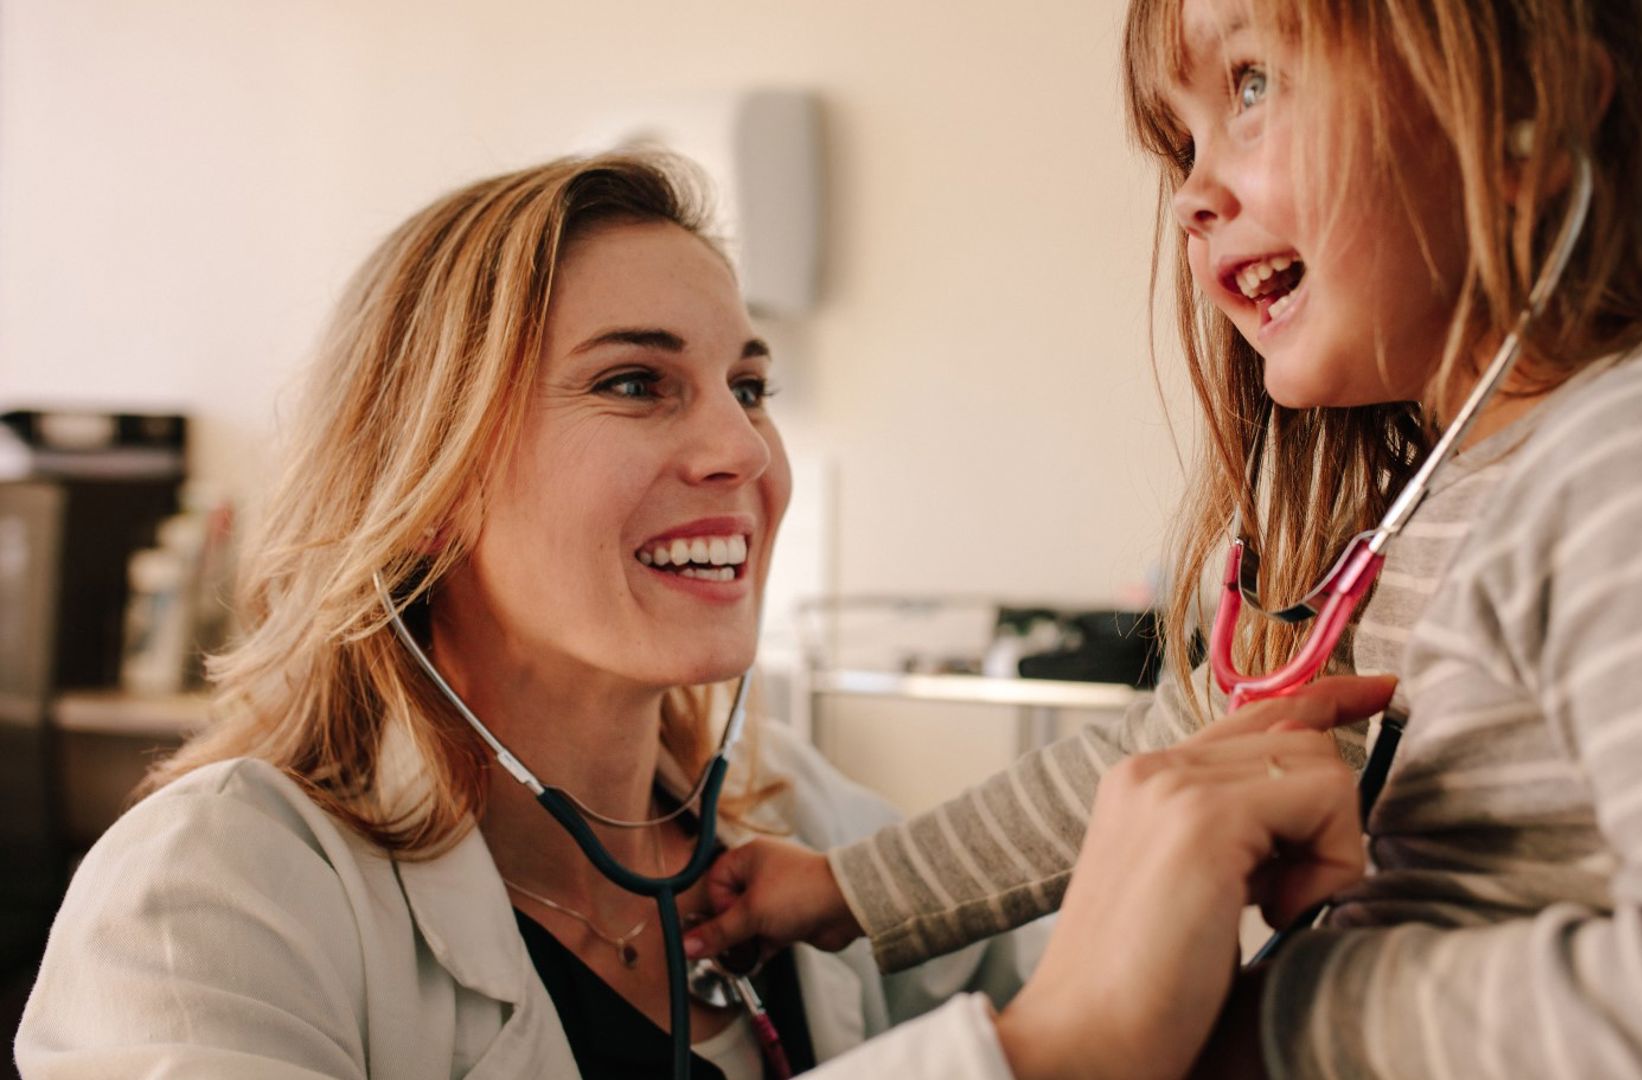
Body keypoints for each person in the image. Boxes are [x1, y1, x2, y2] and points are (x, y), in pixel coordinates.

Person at [688, 0, 1642, 1075]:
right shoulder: (1428, 504)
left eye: (1252, 85)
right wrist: (848, 889)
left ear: (1529, 114)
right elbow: (1161, 762)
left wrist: (1269, 1020)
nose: (1191, 195)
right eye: (1181, 140)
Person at [24, 151, 1348, 1079]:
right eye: (635, 384)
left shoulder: (806, 829)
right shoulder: (212, 901)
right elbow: (1075, 1041)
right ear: (423, 486)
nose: (743, 452)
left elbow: (1164, 1043)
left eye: (749, 387)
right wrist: (1037, 1058)